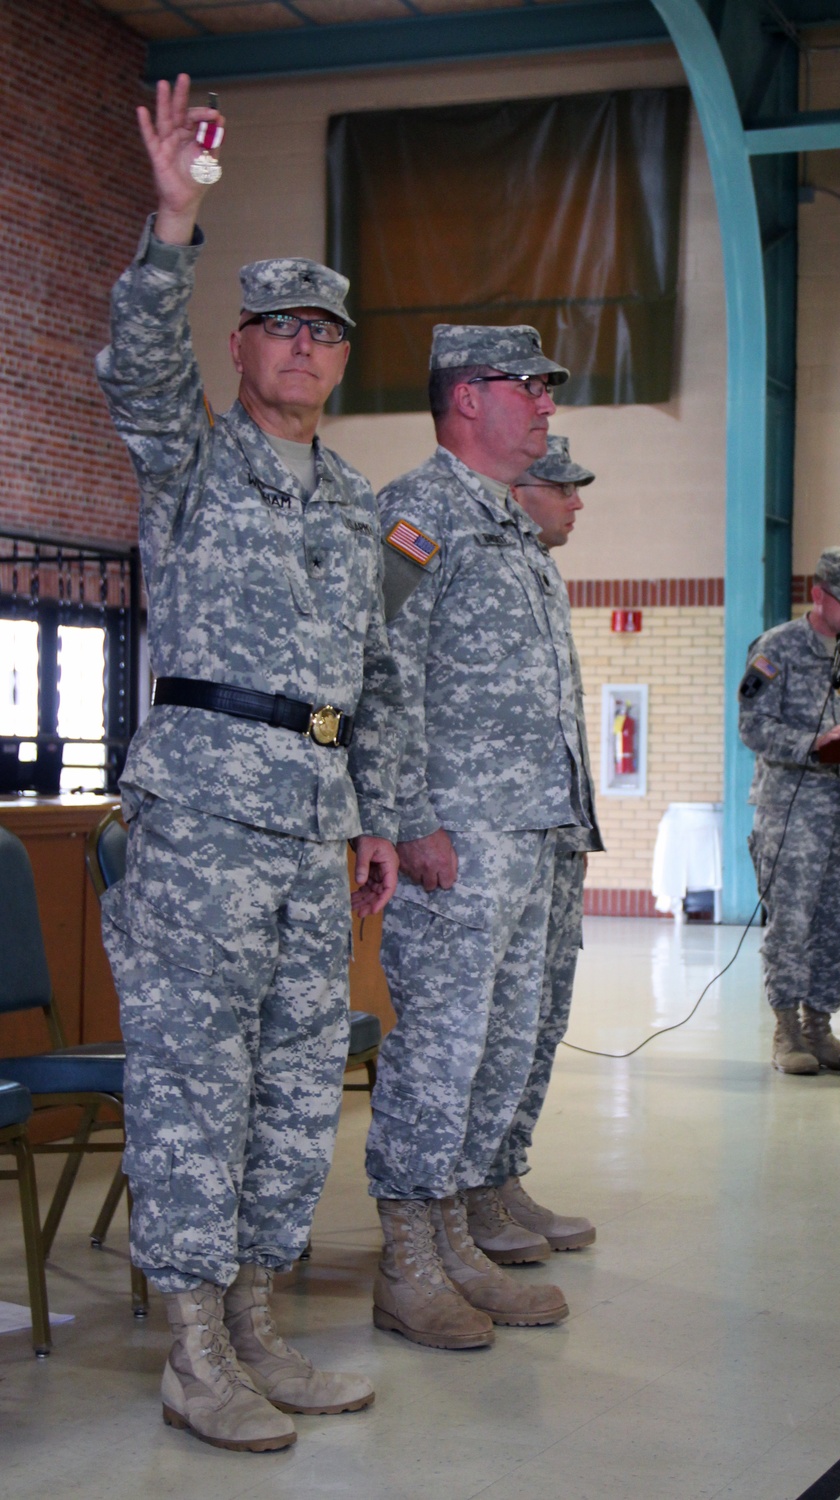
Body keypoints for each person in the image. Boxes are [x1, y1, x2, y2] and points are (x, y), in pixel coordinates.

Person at [95, 76, 403, 1452]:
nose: (300, 348)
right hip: (203, 819)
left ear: (342, 359)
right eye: (277, 328)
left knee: (294, 1084)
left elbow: (372, 679)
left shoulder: (354, 501)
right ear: (242, 346)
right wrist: (174, 221)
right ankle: (193, 1350)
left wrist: (375, 818)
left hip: (313, 825)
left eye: (321, 333)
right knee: (188, 1085)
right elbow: (138, 369)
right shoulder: (191, 461)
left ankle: (264, 1325)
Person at [366, 327, 596, 1350]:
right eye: (529, 386)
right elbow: (378, 668)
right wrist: (407, 817)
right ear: (467, 399)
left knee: (500, 1046)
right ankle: (409, 1259)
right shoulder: (418, 515)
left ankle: (459, 1231)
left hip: (529, 831)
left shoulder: (509, 529)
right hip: (455, 838)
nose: (546, 404)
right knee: (443, 1051)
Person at [466, 434, 603, 1260]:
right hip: (486, 830)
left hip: (551, 830)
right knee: (488, 1026)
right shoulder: (443, 534)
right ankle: (464, 1196)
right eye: (566, 488)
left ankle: (501, 1175)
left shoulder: (539, 572)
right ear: (524, 491)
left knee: (537, 1021)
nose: (577, 503)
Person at [738, 547, 840, 1075]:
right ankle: (786, 1032)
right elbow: (752, 727)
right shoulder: (775, 650)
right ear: (819, 593)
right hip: (793, 812)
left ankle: (820, 1027)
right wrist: (817, 741)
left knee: (835, 922)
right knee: (793, 921)